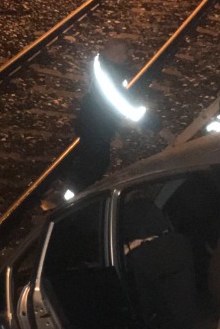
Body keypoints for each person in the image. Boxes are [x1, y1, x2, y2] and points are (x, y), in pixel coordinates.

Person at [45, 40, 166, 210]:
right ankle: (67, 201)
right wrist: (152, 123)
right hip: (96, 123)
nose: (126, 57)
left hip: (94, 120)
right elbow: (122, 103)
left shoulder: (103, 64)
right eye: (123, 53)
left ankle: (65, 190)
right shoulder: (107, 76)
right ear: (112, 53)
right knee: (95, 163)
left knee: (86, 157)